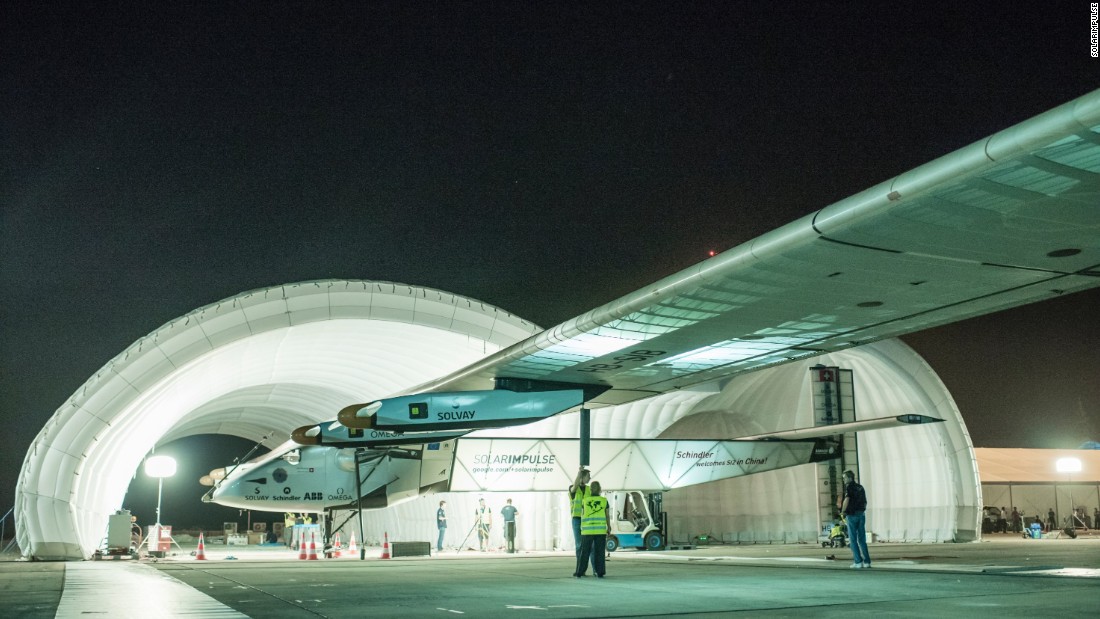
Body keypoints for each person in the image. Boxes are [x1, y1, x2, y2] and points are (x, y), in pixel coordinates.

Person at [575, 480, 610, 578]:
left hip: (587, 531)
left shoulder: (585, 501)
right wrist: (609, 527)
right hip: (600, 531)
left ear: (590, 490)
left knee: (584, 552)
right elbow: (607, 515)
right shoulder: (604, 501)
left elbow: (582, 514)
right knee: (599, 552)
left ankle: (579, 572)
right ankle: (600, 572)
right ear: (600, 489)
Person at [838, 470, 870, 569]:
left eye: (844, 478)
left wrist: (843, 512)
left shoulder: (849, 488)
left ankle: (858, 562)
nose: (843, 480)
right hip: (861, 515)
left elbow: (846, 500)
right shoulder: (860, 487)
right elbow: (865, 501)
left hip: (852, 516)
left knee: (852, 540)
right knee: (862, 539)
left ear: (849, 478)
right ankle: (867, 562)